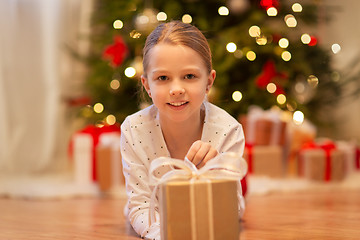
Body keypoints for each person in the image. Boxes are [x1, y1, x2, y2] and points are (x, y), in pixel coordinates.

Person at [120, 20, 245, 240]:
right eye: (163, 78)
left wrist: (215, 176)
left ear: (209, 81)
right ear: (147, 85)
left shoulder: (228, 130)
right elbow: (140, 205)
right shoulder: (134, 130)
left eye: (189, 76)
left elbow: (234, 209)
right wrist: (167, 235)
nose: (177, 89)